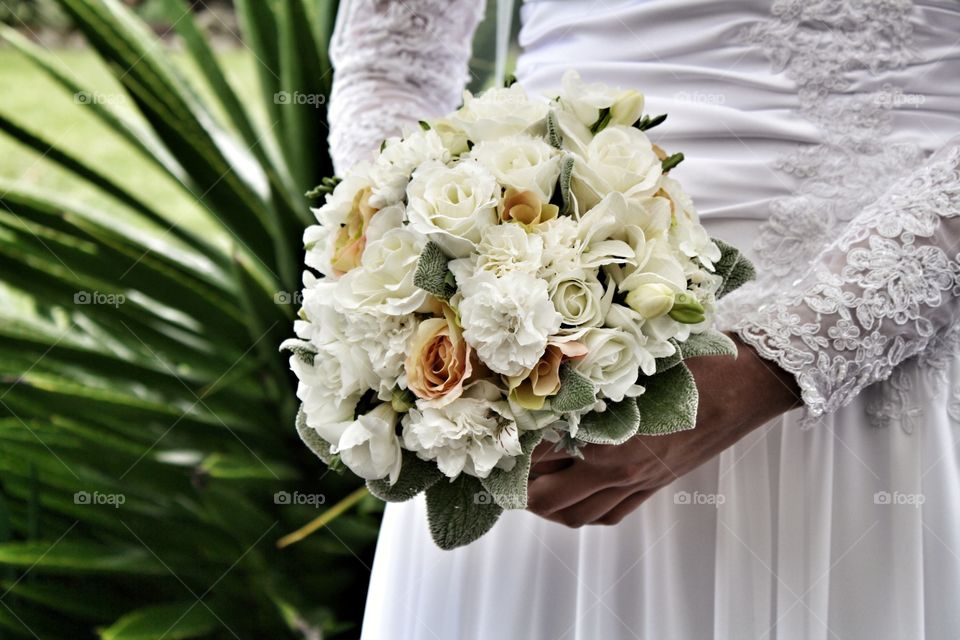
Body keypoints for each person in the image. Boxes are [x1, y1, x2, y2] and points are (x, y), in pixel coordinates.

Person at [327, 1, 960, 637]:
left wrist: (782, 363)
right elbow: (390, 62)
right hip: (522, 359)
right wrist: (413, 266)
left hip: (871, 354)